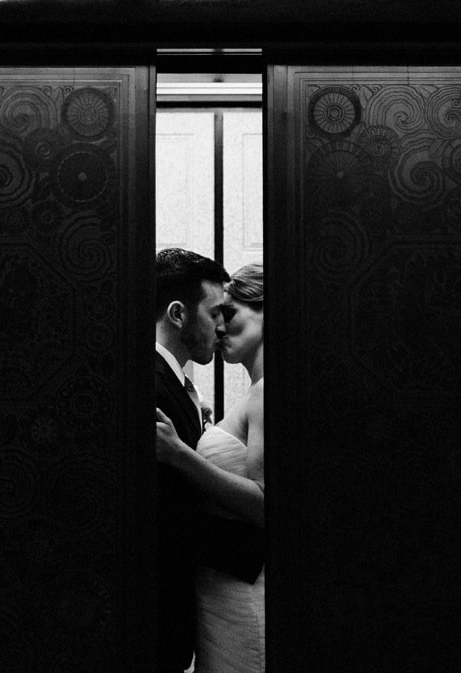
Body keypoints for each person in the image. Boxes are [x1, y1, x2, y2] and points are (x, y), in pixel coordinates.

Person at [152, 249, 265, 673]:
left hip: (227, 585)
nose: (221, 326)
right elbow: (163, 511)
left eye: (229, 313)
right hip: (189, 595)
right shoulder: (157, 386)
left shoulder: (175, 387)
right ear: (178, 314)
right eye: (217, 312)